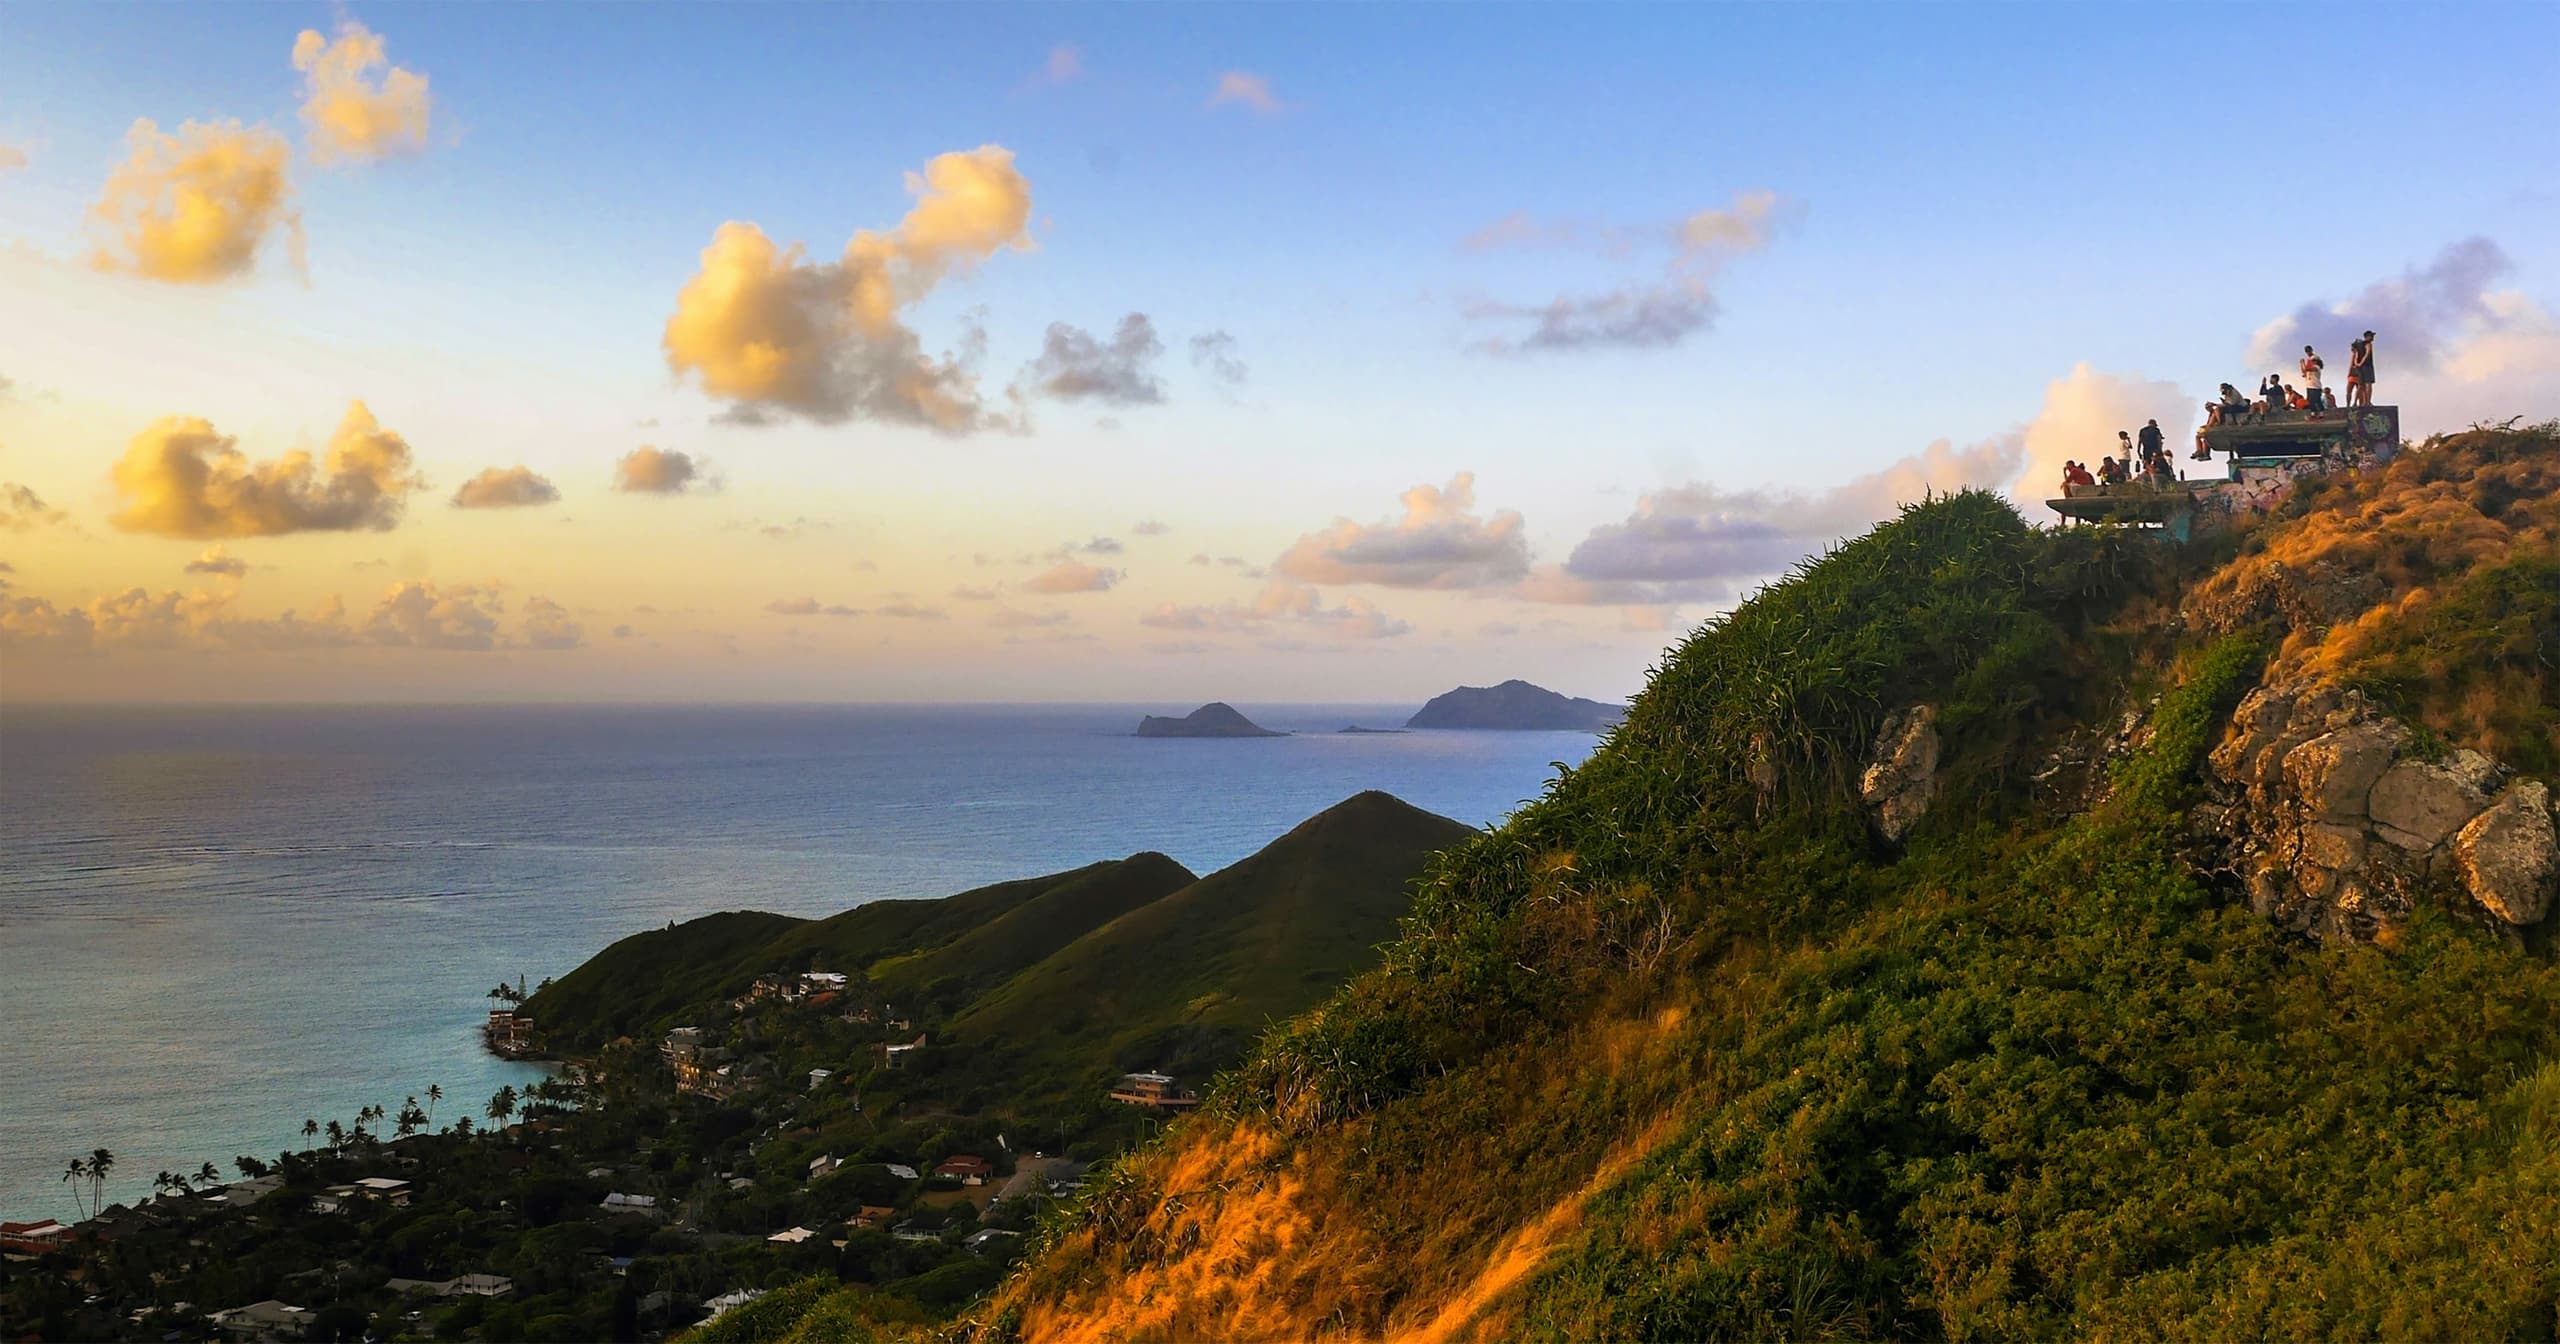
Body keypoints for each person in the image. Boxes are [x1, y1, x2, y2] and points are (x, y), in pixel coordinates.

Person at [2349, 330, 2376, 407]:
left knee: (2360, 385)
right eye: (2372, 336)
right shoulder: (2368, 344)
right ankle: (2367, 402)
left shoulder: (2359, 345)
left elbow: (2356, 355)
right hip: (2367, 366)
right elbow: (2367, 354)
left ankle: (2355, 402)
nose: (2373, 338)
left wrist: (2357, 364)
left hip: (2359, 368)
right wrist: (2361, 363)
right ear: (2368, 336)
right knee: (2368, 384)